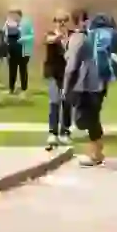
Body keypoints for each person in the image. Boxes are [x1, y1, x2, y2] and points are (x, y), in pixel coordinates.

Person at [63, 10, 117, 167]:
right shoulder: (94, 38)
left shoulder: (78, 38)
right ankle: (97, 152)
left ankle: (96, 153)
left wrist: (66, 87)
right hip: (100, 84)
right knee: (92, 118)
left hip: (83, 85)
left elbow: (71, 66)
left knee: (83, 120)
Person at [43, 10, 75, 148]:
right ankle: (53, 133)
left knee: (67, 102)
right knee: (54, 102)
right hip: (54, 73)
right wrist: (59, 37)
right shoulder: (51, 34)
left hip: (68, 74)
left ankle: (65, 132)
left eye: (64, 20)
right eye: (58, 20)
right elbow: (49, 40)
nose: (61, 23)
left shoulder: (74, 36)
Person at [2, 9, 35, 95]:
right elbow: (4, 33)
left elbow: (32, 35)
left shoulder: (26, 23)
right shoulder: (9, 23)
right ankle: (11, 88)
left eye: (14, 15)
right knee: (12, 69)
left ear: (19, 15)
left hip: (23, 49)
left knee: (23, 69)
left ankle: (24, 88)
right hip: (12, 50)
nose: (13, 17)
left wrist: (22, 39)